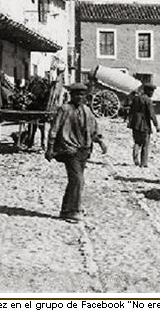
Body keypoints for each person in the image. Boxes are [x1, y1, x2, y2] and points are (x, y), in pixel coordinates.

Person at [45, 82, 106, 223]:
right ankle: (74, 210)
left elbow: (93, 130)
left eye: (82, 95)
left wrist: (101, 141)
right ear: (71, 95)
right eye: (77, 94)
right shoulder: (64, 109)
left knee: (75, 181)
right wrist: (50, 148)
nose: (79, 97)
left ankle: (66, 209)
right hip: (69, 149)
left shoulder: (87, 111)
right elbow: (54, 130)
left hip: (83, 150)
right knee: (78, 180)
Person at [127, 83, 160, 167]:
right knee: (145, 144)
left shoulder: (136, 98)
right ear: (148, 91)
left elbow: (131, 111)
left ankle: (135, 155)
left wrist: (130, 121)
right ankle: (143, 163)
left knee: (137, 141)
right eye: (152, 91)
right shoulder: (148, 100)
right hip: (144, 124)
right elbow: (151, 114)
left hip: (135, 123)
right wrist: (156, 125)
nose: (152, 93)